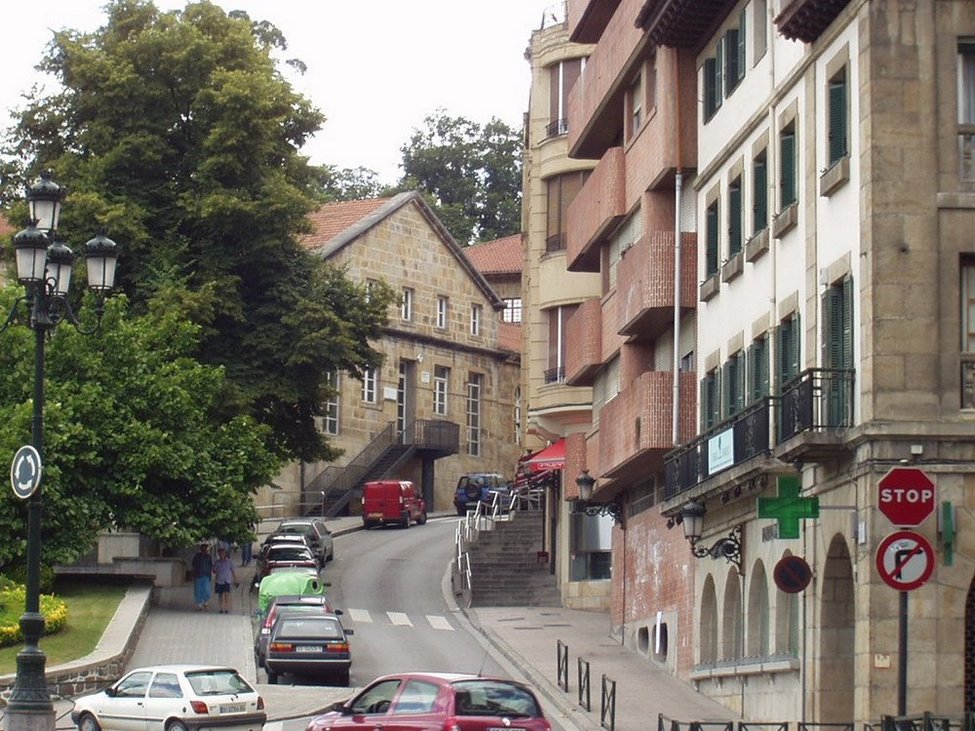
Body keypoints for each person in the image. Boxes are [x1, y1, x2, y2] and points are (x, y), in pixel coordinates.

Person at [213, 547, 239, 614]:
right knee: (220, 595)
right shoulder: (217, 562)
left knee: (227, 594)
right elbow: (214, 571)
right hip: (219, 580)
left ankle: (226, 608)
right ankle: (221, 608)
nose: (221, 555)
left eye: (223, 553)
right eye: (220, 553)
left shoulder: (229, 562)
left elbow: (233, 571)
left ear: (225, 554)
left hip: (227, 580)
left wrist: (235, 579)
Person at [191, 543, 213, 610]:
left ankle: (205, 602)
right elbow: (193, 565)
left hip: (206, 575)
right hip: (198, 575)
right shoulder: (197, 556)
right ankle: (199, 604)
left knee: (206, 590)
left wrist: (210, 574)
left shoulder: (208, 557)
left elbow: (210, 566)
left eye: (205, 549)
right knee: (198, 590)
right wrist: (193, 574)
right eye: (203, 549)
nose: (204, 550)